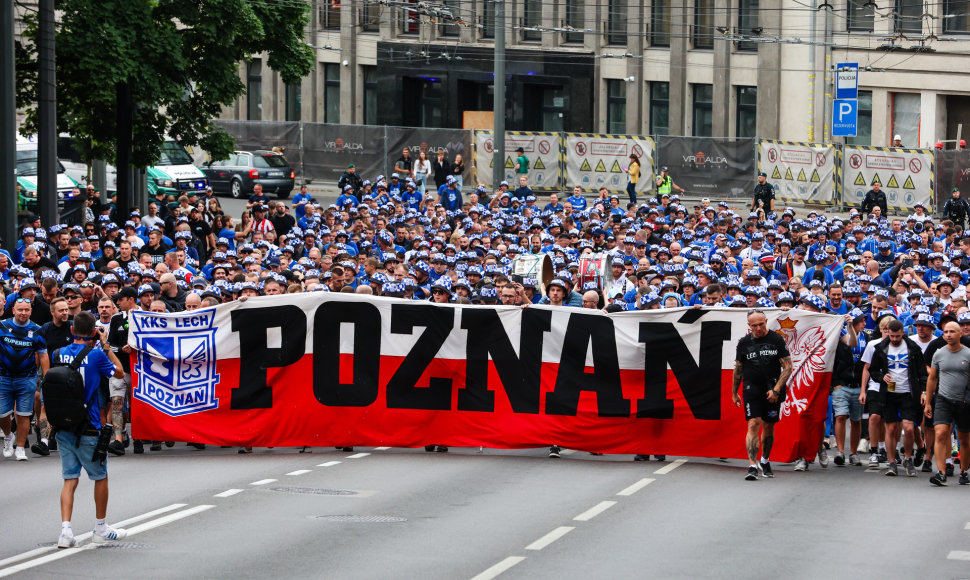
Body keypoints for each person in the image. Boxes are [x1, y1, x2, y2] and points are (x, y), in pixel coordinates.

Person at [51, 311, 126, 548]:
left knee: (69, 479)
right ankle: (101, 528)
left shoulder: (57, 354)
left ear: (72, 331)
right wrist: (106, 346)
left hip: (63, 424)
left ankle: (65, 531)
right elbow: (119, 372)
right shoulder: (96, 356)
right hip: (90, 424)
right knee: (100, 475)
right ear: (94, 332)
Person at [733, 309, 793, 480]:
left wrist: (777, 389)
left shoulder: (776, 339)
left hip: (772, 388)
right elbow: (738, 368)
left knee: (768, 426)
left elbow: (787, 367)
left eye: (761, 324)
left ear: (766, 321)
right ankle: (752, 465)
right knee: (753, 423)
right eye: (754, 325)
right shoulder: (744, 343)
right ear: (749, 326)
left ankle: (765, 460)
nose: (758, 328)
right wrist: (734, 392)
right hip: (751, 388)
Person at [866, 318, 926, 477]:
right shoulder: (881, 348)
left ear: (903, 334)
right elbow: (873, 370)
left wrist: (924, 392)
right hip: (889, 393)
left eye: (897, 337)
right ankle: (891, 462)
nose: (894, 340)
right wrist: (881, 376)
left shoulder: (913, 348)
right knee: (891, 429)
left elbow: (922, 372)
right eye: (891, 336)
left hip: (908, 393)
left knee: (908, 428)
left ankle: (908, 458)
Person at [0, 298, 50, 461]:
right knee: (2, 414)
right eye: (20, 309)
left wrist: (46, 376)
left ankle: (20, 448)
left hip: (26, 379)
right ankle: (8, 437)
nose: (23, 313)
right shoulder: (3, 326)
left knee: (23, 415)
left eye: (26, 310)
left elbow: (43, 355)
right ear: (13, 310)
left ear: (31, 311)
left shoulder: (37, 330)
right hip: (3, 378)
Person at [924, 321, 970, 486]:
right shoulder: (938, 354)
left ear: (960, 334)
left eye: (952, 331)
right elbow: (932, 378)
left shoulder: (968, 354)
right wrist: (928, 402)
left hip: (963, 402)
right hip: (943, 399)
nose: (948, 335)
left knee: (964, 439)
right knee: (941, 433)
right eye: (946, 332)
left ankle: (964, 471)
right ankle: (941, 472)